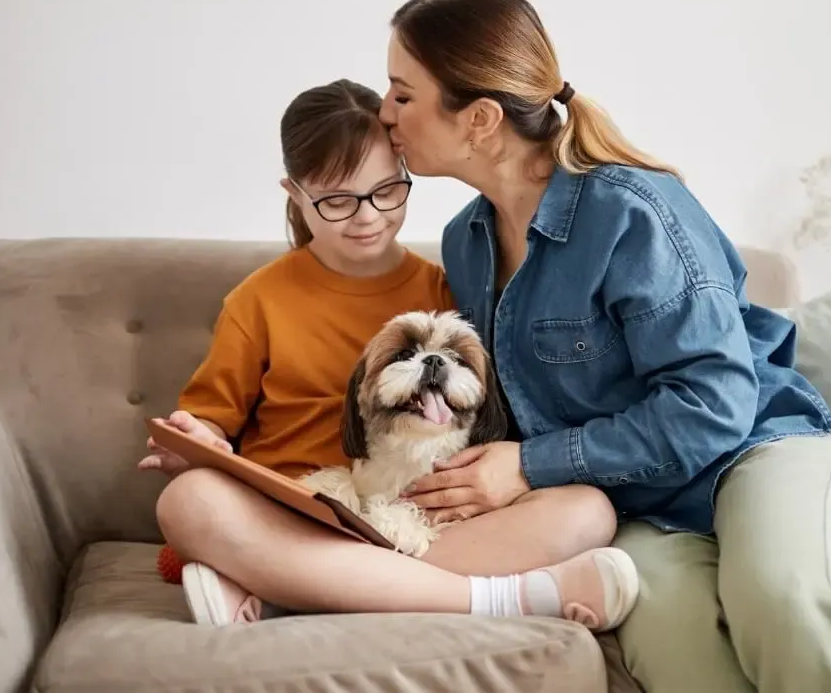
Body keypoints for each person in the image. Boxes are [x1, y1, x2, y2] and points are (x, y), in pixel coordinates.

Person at [378, 0, 831, 693]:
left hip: (759, 448)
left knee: (786, 598)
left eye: (401, 93)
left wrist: (531, 464)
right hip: (638, 503)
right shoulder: (465, 242)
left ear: (477, 118)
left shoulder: (631, 210)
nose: (383, 112)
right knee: (672, 642)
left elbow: (715, 403)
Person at [143, 78, 639, 631]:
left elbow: (484, 404)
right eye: (336, 200)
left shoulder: (448, 291)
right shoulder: (257, 300)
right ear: (294, 192)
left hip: (420, 515)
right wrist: (202, 439)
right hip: (295, 512)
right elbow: (213, 419)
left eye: (386, 191)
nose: (367, 216)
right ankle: (501, 598)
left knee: (587, 510)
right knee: (187, 501)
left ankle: (290, 588)